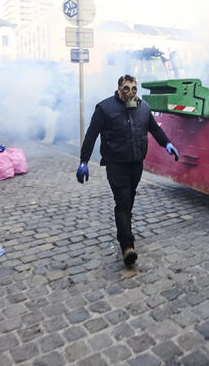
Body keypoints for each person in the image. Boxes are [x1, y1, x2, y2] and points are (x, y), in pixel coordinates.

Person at [77, 75, 179, 266]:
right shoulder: (105, 109)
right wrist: (84, 161)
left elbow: (154, 129)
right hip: (116, 164)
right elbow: (91, 135)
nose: (130, 92)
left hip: (136, 164)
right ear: (118, 89)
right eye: (126, 88)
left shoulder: (143, 108)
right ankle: (127, 246)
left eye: (133, 88)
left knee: (129, 201)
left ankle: (125, 230)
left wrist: (167, 143)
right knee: (122, 203)